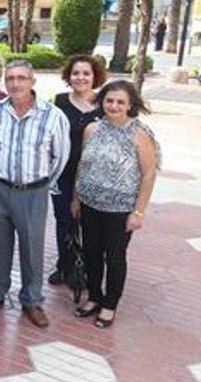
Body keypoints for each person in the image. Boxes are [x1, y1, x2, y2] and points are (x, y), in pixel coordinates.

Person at [0, 60, 69, 328]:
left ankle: (32, 300)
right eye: (11, 79)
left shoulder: (52, 116)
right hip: (0, 187)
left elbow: (60, 157)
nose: (15, 84)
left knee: (32, 246)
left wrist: (41, 184)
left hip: (33, 191)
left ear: (33, 81)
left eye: (21, 78)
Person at [72, 80, 159, 328]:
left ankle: (109, 305)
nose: (114, 105)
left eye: (120, 101)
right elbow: (83, 165)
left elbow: (149, 173)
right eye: (109, 100)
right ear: (102, 102)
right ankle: (94, 296)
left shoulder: (139, 134)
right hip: (90, 204)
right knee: (91, 253)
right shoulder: (92, 129)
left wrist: (139, 211)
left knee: (115, 257)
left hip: (120, 210)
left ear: (131, 104)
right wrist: (76, 197)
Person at [48, 55, 106, 286]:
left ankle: (89, 269)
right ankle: (65, 265)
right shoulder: (59, 102)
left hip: (95, 177)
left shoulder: (105, 104)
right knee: (64, 221)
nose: (80, 78)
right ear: (68, 76)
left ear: (95, 77)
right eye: (75, 73)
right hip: (63, 174)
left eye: (86, 73)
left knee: (90, 224)